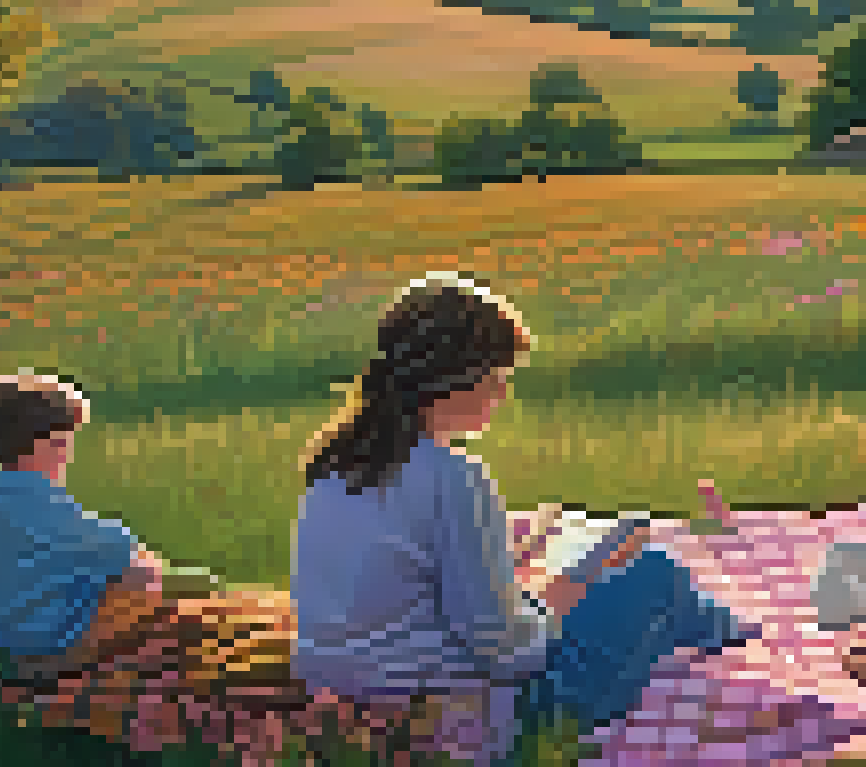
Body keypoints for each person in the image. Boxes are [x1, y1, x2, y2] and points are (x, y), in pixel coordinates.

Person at [291, 273, 752, 749]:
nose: (503, 392)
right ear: (454, 379)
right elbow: (505, 655)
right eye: (497, 378)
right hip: (478, 715)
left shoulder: (333, 469)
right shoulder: (454, 478)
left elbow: (415, 609)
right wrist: (554, 606)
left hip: (354, 684)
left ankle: (714, 624)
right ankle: (727, 630)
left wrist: (532, 604)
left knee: (599, 584)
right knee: (656, 574)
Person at [0, 374, 299, 738]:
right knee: (184, 606)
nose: (68, 453)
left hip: (28, 629)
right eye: (66, 442)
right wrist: (199, 585)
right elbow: (118, 551)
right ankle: (268, 631)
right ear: (47, 443)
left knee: (158, 593)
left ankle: (260, 618)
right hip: (56, 639)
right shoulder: (37, 508)